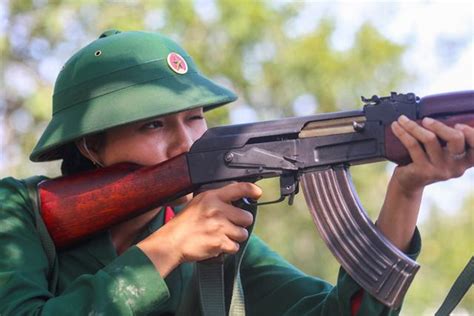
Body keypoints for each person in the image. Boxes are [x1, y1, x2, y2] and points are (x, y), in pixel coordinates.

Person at [0, 30, 472, 316]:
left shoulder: (213, 230)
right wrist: (165, 250)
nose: (186, 141)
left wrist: (406, 190)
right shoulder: (18, 214)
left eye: (195, 116)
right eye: (153, 125)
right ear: (91, 144)